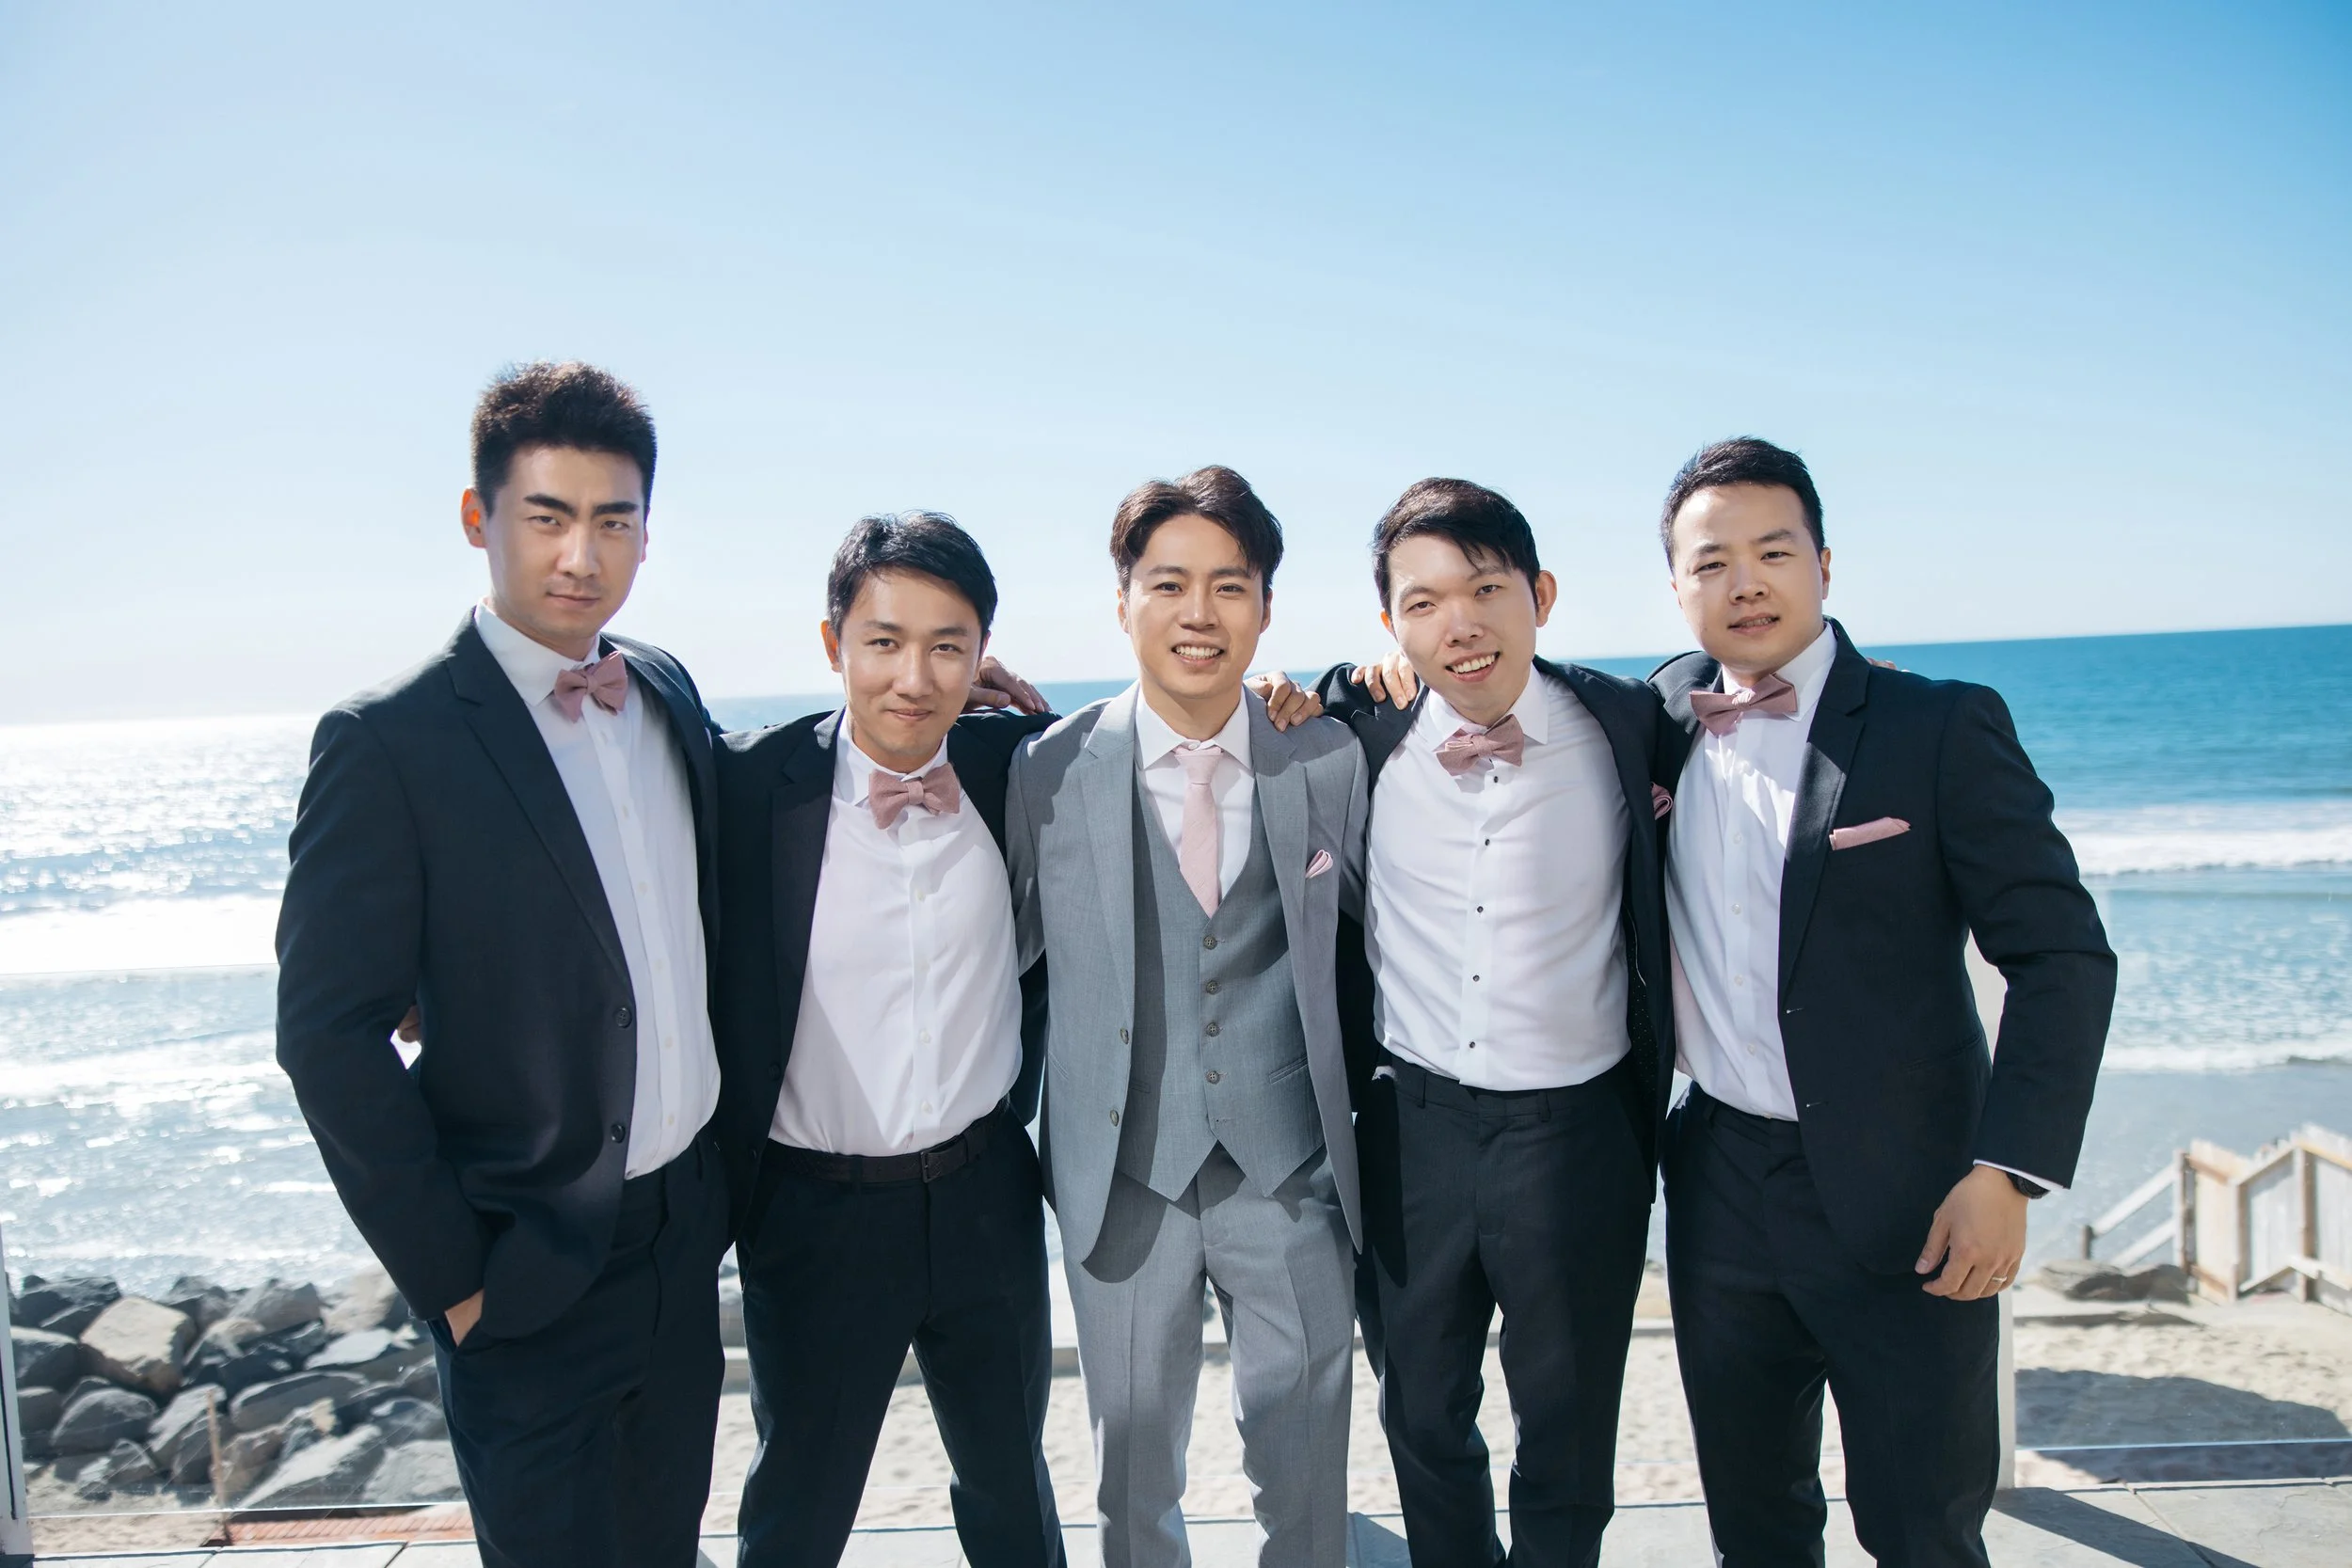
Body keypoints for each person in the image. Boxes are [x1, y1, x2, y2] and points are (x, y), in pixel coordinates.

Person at [275, 362, 730, 1568]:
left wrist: (977, 718)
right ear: (480, 520)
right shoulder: (388, 742)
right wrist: (455, 1281)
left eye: (613, 519)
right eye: (548, 515)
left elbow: (771, 804)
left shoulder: (666, 690)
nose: (582, 552)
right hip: (526, 1271)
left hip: (683, 1240)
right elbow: (326, 1032)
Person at [1650, 437, 2114, 1566]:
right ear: (1676, 584)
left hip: (1913, 1192)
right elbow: (1499, 696)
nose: (1745, 581)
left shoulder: (1939, 725)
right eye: (1712, 561)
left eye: (1773, 550)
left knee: (1921, 1529)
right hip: (1717, 1186)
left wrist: (2006, 1171)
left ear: (1823, 563)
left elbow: (2062, 957)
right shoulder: (1652, 716)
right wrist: (1343, 686)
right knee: (1755, 1527)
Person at [1004, 466, 1368, 1568]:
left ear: (1264, 606)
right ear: (1122, 601)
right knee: (1129, 1475)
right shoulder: (1042, 767)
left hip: (1290, 1172)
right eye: (1169, 583)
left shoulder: (1332, 755)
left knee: (1307, 1476)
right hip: (1121, 1181)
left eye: (1230, 585)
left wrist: (1366, 678)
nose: (1199, 614)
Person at [1311, 479, 1674, 1568]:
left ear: (1539, 595)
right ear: (1391, 627)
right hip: (1411, 1130)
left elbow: (1749, 726)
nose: (1458, 624)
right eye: (1422, 603)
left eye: (1484, 589)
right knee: (1420, 1413)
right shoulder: (1354, 733)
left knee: (1566, 1430)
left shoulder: (1629, 727)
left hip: (1578, 1135)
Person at [709, 513, 1061, 1568]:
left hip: (984, 1193)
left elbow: (1160, 752)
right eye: (884, 641)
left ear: (981, 656)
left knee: (1010, 1486)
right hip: (812, 1211)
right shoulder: (744, 789)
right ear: (834, 646)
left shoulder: (1017, 766)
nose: (914, 675)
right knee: (798, 1504)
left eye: (947, 645)